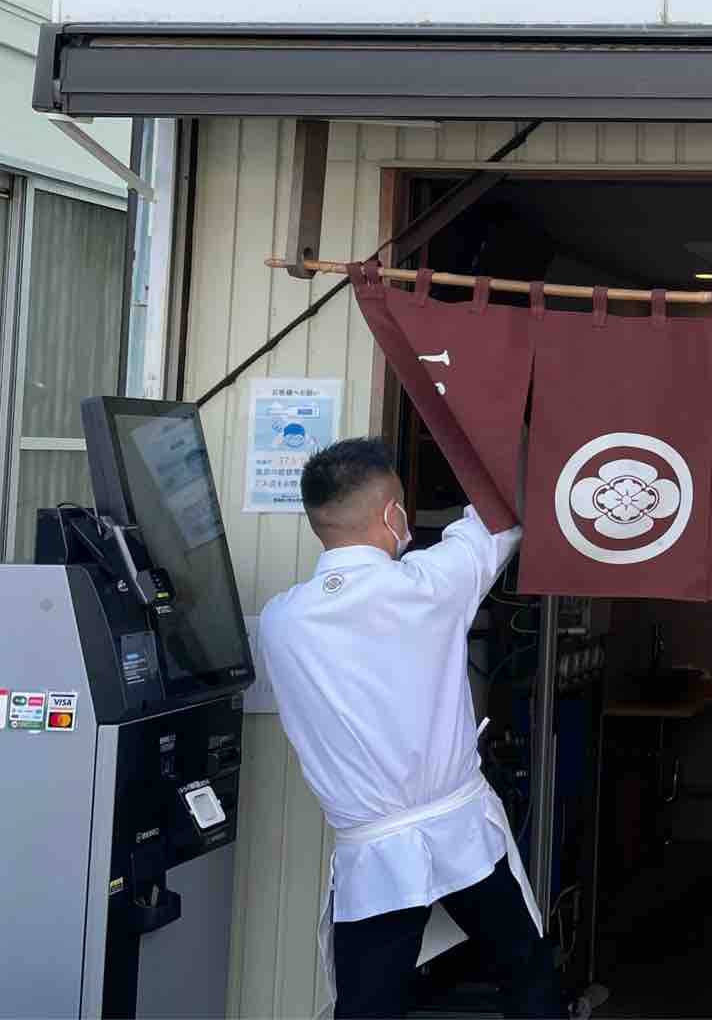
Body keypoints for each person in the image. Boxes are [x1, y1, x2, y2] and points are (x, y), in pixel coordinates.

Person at [258, 437, 558, 1019]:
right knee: (526, 975)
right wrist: (520, 428)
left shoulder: (281, 621)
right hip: (460, 832)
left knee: (367, 1006)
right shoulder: (429, 586)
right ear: (393, 514)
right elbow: (500, 515)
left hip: (374, 856)